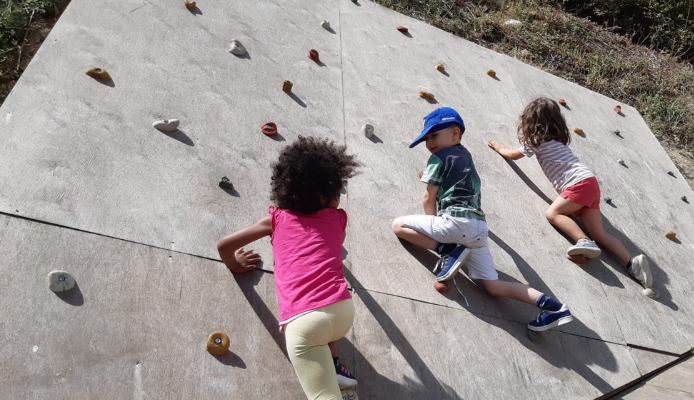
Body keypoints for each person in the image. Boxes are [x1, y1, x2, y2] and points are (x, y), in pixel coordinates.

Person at [392, 107, 573, 332]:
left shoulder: (438, 157)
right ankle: (553, 307)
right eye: (426, 139)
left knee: (398, 225)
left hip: (455, 223)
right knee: (494, 287)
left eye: (434, 135)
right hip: (478, 229)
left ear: (455, 133)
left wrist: (435, 230)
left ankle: (446, 250)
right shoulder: (466, 156)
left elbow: (428, 197)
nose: (429, 143)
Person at [217, 136, 359, 399]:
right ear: (325, 196)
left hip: (303, 324)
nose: (339, 198)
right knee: (326, 292)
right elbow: (335, 244)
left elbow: (225, 245)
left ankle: (330, 370)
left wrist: (236, 265)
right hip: (342, 312)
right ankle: (334, 363)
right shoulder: (338, 218)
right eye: (336, 191)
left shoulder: (276, 220)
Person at [488, 97, 652, 288]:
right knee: (600, 233)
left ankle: (583, 240)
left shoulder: (536, 141)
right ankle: (633, 264)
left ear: (531, 120)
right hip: (590, 183)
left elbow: (514, 155)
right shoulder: (558, 142)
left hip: (577, 184)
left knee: (553, 213)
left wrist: (500, 148)